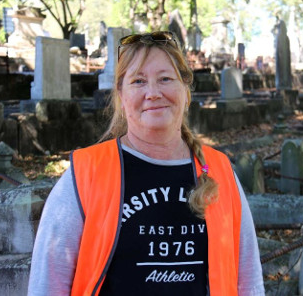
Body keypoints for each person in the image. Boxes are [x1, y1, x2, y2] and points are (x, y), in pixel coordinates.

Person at [28, 31, 265, 296]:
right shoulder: (87, 173)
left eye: (165, 79)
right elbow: (48, 283)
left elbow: (249, 281)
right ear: (121, 94)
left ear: (185, 90)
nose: (153, 93)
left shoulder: (220, 171)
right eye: (138, 81)